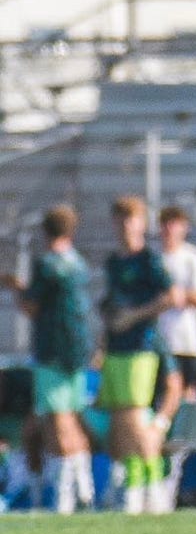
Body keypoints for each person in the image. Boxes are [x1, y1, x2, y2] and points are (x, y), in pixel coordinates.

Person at [4, 206, 95, 513]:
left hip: (52, 351)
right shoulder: (79, 263)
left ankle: (67, 494)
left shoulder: (47, 263)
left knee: (58, 420)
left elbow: (32, 306)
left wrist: (17, 289)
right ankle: (84, 486)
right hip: (76, 350)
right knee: (69, 416)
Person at [99, 195, 177, 513]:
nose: (124, 226)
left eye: (130, 219)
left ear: (142, 223)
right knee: (120, 421)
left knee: (134, 417)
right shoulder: (113, 262)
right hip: (117, 348)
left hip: (141, 347)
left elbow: (171, 295)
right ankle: (133, 484)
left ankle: (154, 485)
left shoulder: (149, 260)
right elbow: (111, 301)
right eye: (119, 219)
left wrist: (134, 316)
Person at [155, 205, 196, 433]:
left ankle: (182, 452)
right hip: (159, 343)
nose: (169, 230)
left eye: (174, 224)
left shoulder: (191, 257)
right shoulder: (155, 258)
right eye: (165, 224)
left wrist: (178, 296)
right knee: (161, 400)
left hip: (186, 343)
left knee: (186, 397)